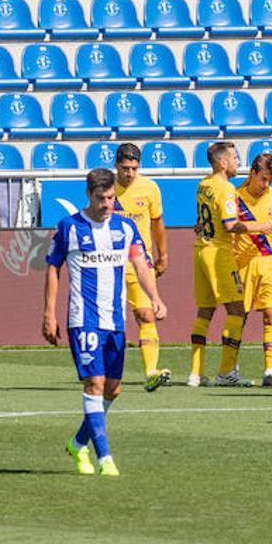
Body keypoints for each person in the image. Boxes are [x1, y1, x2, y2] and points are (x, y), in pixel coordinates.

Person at [44, 169, 166, 477]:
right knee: (94, 384)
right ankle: (104, 458)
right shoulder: (69, 228)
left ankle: (77, 442)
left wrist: (155, 297)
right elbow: (53, 269)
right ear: (89, 195)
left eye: (111, 198)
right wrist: (48, 313)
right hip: (82, 319)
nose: (107, 204)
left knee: (113, 389)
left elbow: (140, 264)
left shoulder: (125, 228)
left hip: (115, 320)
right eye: (101, 199)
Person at [190, 142, 272, 387]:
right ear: (222, 162)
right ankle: (226, 372)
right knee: (237, 310)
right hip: (219, 252)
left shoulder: (203, 184)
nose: (238, 162)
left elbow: (201, 221)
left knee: (205, 310)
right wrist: (262, 226)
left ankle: (195, 373)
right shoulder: (225, 188)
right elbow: (229, 225)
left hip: (200, 250)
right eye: (235, 158)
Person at [113, 143, 171, 392]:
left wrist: (163, 254)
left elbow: (157, 223)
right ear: (117, 165)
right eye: (125, 168)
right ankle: (104, 370)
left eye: (134, 168)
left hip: (140, 263)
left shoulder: (149, 188)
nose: (129, 174)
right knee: (111, 321)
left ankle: (150, 372)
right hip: (111, 263)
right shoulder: (105, 187)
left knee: (146, 315)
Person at [234, 153, 272, 388]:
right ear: (252, 173)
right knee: (239, 316)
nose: (267, 185)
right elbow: (227, 227)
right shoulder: (235, 197)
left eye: (271, 180)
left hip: (271, 260)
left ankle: (269, 371)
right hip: (242, 261)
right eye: (263, 179)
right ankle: (230, 368)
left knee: (271, 315)